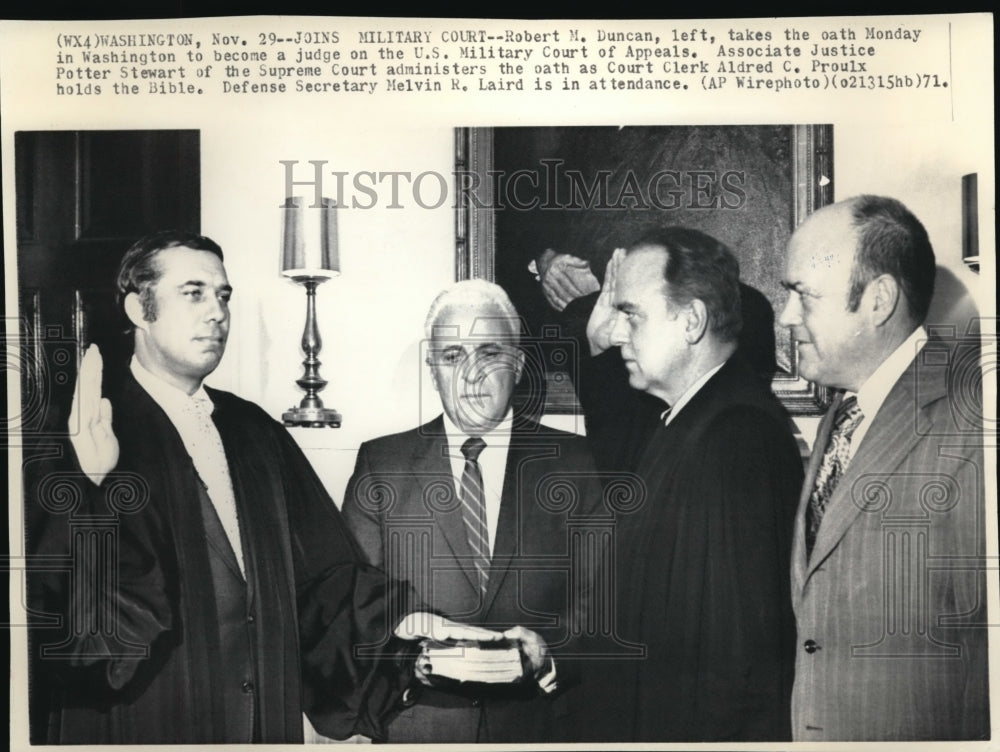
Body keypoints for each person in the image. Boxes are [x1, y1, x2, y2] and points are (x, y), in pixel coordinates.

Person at [27, 231, 499, 744]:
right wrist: (90, 489)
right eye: (194, 293)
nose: (216, 313)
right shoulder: (85, 429)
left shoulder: (253, 430)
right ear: (139, 310)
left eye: (223, 295)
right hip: (149, 719)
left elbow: (326, 582)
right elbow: (56, 620)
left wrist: (414, 623)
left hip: (262, 724)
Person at [341, 279, 605, 743]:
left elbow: (602, 598)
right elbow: (351, 606)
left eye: (489, 353)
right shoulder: (381, 465)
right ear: (432, 369)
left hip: (542, 728)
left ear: (519, 364)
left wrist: (551, 653)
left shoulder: (578, 463)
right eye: (452, 356)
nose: (471, 374)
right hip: (419, 730)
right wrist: (409, 662)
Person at [571, 228, 803, 741]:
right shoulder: (691, 417)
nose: (617, 333)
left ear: (692, 320)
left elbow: (737, 660)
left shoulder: (736, 435)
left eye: (632, 315)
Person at [779, 195, 989, 740]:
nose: (786, 316)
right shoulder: (843, 413)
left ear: (878, 300)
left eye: (803, 295)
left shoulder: (972, 421)